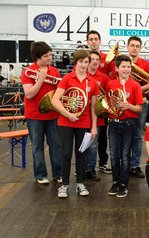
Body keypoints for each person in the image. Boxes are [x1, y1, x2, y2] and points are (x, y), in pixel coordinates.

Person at [51, 49, 99, 198]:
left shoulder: (92, 82)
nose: (84, 65)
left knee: (81, 154)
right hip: (66, 122)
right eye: (81, 62)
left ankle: (80, 183)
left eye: (86, 62)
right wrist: (69, 115)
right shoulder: (67, 79)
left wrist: (93, 127)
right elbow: (54, 100)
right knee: (65, 154)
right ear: (75, 62)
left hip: (83, 122)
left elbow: (93, 107)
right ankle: (64, 185)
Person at [20, 41, 62, 184]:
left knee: (56, 145)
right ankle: (40, 175)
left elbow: (58, 93)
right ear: (37, 57)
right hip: (34, 115)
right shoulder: (27, 71)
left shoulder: (54, 71)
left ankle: (58, 174)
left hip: (52, 114)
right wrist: (41, 79)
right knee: (37, 145)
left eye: (50, 55)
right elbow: (29, 94)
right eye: (46, 56)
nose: (50, 58)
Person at [106, 55, 143, 198]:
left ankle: (123, 184)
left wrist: (129, 106)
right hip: (114, 122)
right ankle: (115, 181)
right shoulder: (111, 84)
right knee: (114, 155)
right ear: (117, 68)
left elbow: (139, 109)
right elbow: (109, 104)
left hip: (129, 123)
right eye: (123, 67)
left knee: (125, 155)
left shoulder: (135, 85)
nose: (126, 69)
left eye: (128, 67)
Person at [127, 36, 149, 178]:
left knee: (136, 136)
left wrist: (139, 89)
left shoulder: (146, 64)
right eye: (132, 45)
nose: (134, 48)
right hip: (124, 104)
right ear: (128, 47)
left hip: (141, 103)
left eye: (137, 46)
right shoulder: (121, 62)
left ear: (140, 48)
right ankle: (124, 165)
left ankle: (135, 165)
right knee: (124, 135)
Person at [86, 30, 115, 173]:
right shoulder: (82, 65)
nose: (93, 41)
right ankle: (85, 166)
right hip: (85, 111)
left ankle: (102, 163)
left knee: (102, 138)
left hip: (100, 111)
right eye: (90, 39)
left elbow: (110, 84)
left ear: (100, 41)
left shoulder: (104, 70)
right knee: (86, 140)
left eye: (96, 39)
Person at [85, 50, 110, 181]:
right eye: (92, 59)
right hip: (83, 116)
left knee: (94, 144)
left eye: (97, 60)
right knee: (83, 143)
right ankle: (82, 168)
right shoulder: (82, 75)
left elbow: (108, 97)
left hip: (97, 116)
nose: (95, 62)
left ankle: (90, 169)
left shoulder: (104, 77)